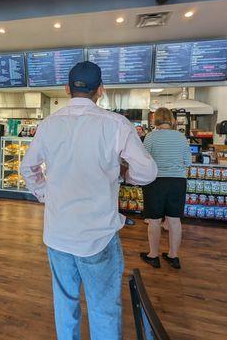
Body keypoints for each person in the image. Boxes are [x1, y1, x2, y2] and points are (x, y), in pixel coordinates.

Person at [20, 61, 157, 340]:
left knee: (65, 304)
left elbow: (27, 168)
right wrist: (126, 174)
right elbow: (148, 172)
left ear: (67, 89)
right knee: (103, 308)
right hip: (99, 236)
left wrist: (46, 194)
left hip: (57, 233)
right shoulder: (116, 124)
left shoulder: (49, 125)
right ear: (101, 91)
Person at [140, 107, 192, 269]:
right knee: (174, 220)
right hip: (177, 182)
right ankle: (173, 256)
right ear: (171, 119)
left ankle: (153, 255)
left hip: (156, 182)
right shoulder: (181, 137)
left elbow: (144, 160)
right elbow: (188, 162)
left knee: (154, 221)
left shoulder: (150, 137)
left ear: (155, 120)